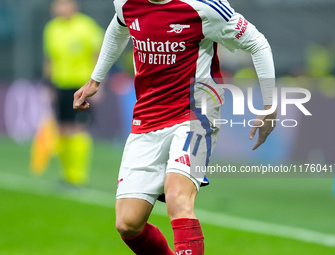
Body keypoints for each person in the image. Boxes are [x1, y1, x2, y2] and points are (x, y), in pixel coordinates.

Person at [74, 0, 276, 253]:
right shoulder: (126, 3)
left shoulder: (205, 7)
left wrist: (269, 104)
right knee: (128, 223)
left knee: (177, 198)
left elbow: (257, 43)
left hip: (196, 114)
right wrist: (95, 79)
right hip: (147, 117)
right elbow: (118, 28)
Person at [43, 0, 103, 186]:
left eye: (63, 4)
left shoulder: (87, 27)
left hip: (81, 85)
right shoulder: (52, 29)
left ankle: (78, 176)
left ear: (73, 6)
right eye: (57, 5)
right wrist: (49, 86)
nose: (59, 9)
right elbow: (50, 59)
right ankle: (67, 175)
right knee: (61, 130)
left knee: (78, 130)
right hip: (60, 84)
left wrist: (99, 83)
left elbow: (99, 56)